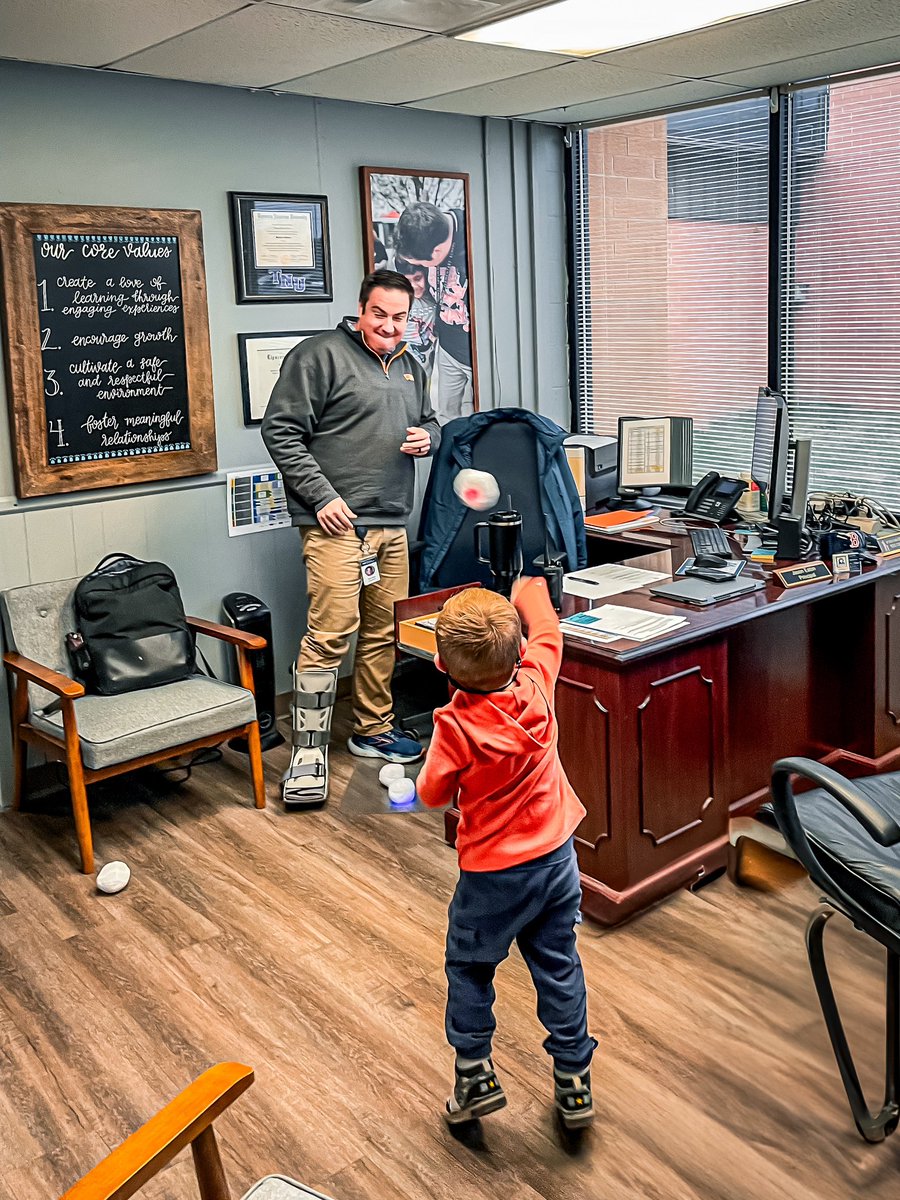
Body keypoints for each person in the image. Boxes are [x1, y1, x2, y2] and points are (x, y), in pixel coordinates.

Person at [416, 577, 598, 1128]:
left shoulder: (455, 725)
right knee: (559, 965)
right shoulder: (539, 681)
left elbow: (430, 794)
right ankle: (574, 1081)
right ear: (520, 653)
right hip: (557, 862)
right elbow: (547, 626)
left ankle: (473, 1074)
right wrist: (529, 588)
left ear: (442, 666)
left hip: (493, 875)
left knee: (470, 967)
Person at [262, 270, 441, 809]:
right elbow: (280, 431)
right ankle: (308, 752)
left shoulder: (412, 366)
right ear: (360, 310)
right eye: (380, 314)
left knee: (386, 631)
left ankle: (372, 728)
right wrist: (321, 497)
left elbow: (431, 422)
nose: (389, 326)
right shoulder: (318, 356)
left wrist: (427, 438)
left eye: (400, 317)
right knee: (330, 634)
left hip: (390, 521)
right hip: (335, 525)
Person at [395, 201, 473, 422]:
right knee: (446, 414)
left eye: (419, 264)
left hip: (479, 354)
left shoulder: (473, 236)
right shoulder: (420, 242)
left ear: (437, 251)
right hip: (448, 348)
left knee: (478, 415)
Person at [395, 255, 437, 376]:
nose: (413, 286)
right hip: (404, 366)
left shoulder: (435, 297)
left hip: (429, 368)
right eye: (407, 281)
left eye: (417, 278)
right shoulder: (399, 300)